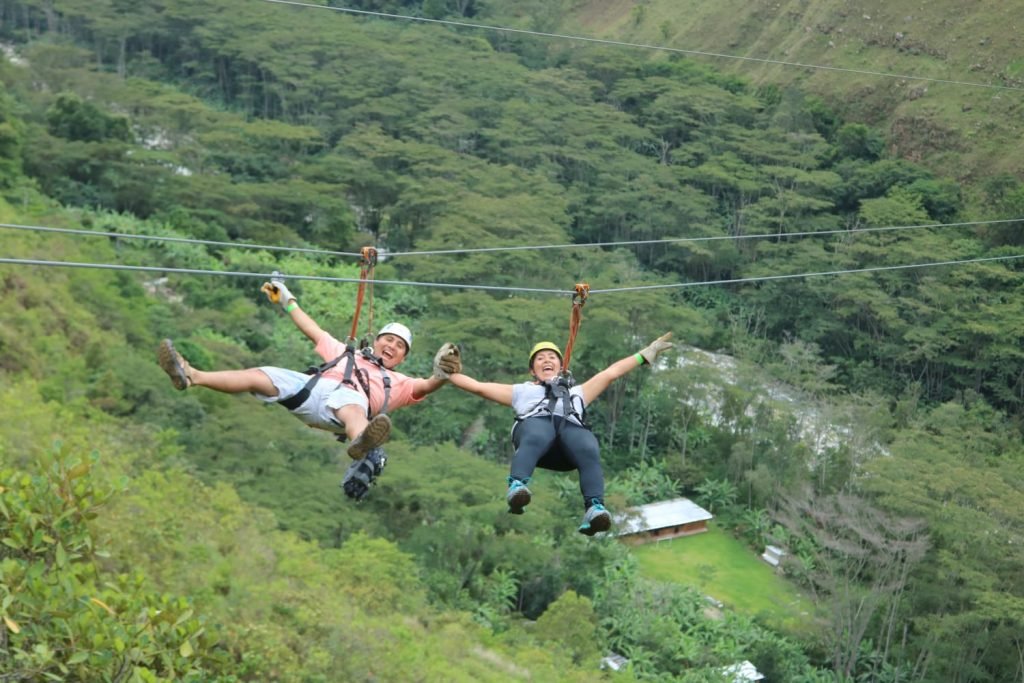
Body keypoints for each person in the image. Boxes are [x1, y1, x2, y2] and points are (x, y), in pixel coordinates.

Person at [157, 277, 461, 499]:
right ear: (378, 340)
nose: (391, 346)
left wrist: (443, 371)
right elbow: (310, 328)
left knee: (354, 406)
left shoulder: (399, 383)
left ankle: (361, 442)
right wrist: (285, 299)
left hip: (344, 410)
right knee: (263, 375)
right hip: (313, 391)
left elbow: (427, 385)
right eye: (388, 340)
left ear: (403, 358)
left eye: (399, 346)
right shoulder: (346, 352)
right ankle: (191, 375)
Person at [439, 333, 673, 535]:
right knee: (540, 430)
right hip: (535, 437)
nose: (546, 360)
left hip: (568, 448)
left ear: (561, 366)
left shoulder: (578, 393)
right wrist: (448, 372)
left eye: (552, 357)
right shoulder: (521, 391)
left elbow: (611, 373)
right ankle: (517, 485)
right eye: (540, 358)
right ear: (533, 370)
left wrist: (645, 354)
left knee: (587, 444)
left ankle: (595, 507)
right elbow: (479, 386)